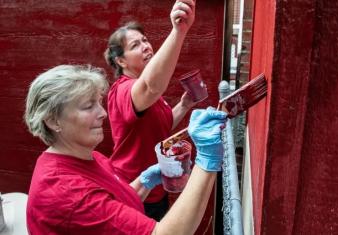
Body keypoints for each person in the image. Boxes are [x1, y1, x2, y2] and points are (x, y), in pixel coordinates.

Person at [24, 64, 227, 235]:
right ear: (52, 120)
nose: (103, 113)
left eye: (99, 103)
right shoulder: (66, 193)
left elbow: (112, 206)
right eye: (88, 106)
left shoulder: (88, 155)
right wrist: (207, 160)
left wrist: (144, 182)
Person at [103, 0, 200, 220]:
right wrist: (179, 31)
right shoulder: (123, 90)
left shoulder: (147, 96)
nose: (146, 46)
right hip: (134, 189)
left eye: (145, 40)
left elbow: (161, 127)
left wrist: (184, 105)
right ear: (121, 61)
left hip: (157, 187)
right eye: (135, 45)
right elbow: (151, 85)